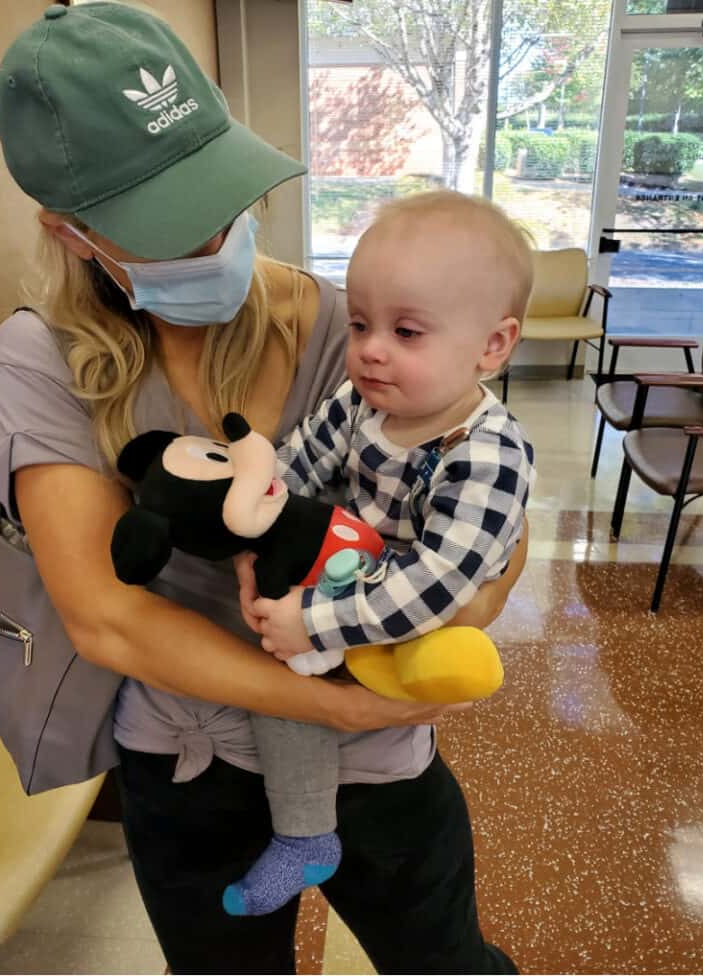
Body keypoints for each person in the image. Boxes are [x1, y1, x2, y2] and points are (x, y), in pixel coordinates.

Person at [0, 2, 527, 974]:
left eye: (220, 199)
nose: (215, 239)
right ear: (69, 232)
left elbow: (489, 504)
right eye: (169, 227)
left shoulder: (347, 328)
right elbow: (108, 618)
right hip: (198, 757)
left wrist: (433, 631)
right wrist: (322, 701)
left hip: (377, 750)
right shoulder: (44, 359)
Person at [224, 190, 536, 918]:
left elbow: (438, 584)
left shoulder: (487, 452)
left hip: (423, 608)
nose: (369, 348)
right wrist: (250, 524)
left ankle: (356, 796)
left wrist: (317, 622)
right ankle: (306, 836)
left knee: (407, 667)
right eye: (361, 323)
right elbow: (296, 467)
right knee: (285, 690)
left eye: (407, 331)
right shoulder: (363, 401)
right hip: (356, 570)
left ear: (492, 345)